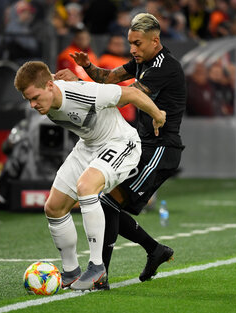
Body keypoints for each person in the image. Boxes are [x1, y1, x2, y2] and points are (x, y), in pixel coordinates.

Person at [55, 13, 186, 285]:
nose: (132, 49)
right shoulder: (142, 60)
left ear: (155, 40)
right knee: (106, 201)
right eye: (130, 43)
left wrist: (74, 87)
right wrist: (89, 67)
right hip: (144, 144)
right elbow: (108, 80)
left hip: (160, 149)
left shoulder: (164, 67)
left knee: (106, 201)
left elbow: (124, 96)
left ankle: (102, 273)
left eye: (137, 43)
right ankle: (153, 251)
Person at [13, 61, 166, 291]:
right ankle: (71, 272)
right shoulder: (48, 86)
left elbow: (132, 93)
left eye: (35, 98)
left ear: (49, 87)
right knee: (53, 208)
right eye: (28, 100)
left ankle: (97, 267)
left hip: (120, 142)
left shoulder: (83, 94)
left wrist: (158, 115)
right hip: (88, 146)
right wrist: (57, 76)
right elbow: (46, 77)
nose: (33, 105)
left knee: (86, 187)